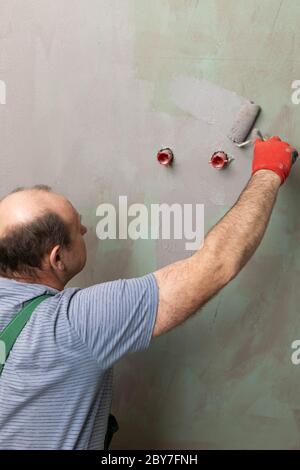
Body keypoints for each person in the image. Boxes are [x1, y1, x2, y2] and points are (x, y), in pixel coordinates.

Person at [0, 136, 296, 449]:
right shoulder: (73, 324)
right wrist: (268, 171)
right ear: (57, 258)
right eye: (78, 228)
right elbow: (217, 265)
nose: (86, 231)